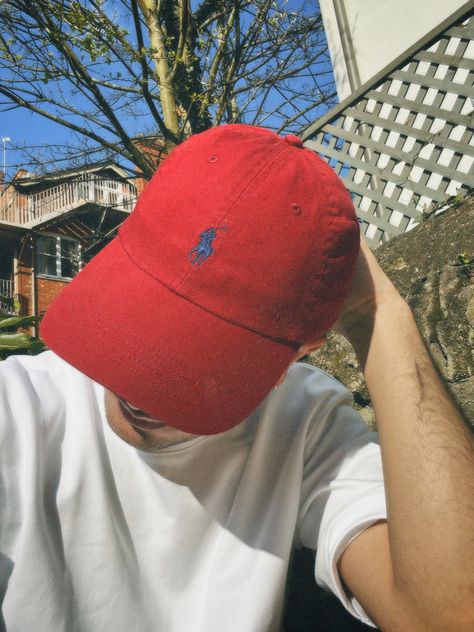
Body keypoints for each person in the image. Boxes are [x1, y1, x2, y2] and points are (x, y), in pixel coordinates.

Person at [0, 125, 472, 632]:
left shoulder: (306, 426)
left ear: (303, 351)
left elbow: (447, 615)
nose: (139, 384)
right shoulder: (18, 407)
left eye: (203, 354)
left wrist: (378, 315)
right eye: (135, 317)